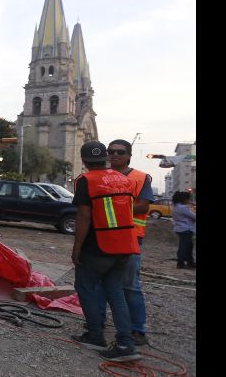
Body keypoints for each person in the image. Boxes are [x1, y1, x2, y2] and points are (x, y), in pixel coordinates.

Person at [70, 141, 141, 362]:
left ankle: (95, 335)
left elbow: (83, 216)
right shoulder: (125, 180)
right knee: (115, 291)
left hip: (99, 245)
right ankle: (125, 344)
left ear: (83, 161)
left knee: (85, 286)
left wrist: (77, 248)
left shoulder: (86, 181)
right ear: (106, 158)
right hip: (126, 244)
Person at [94, 139, 155, 347]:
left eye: (120, 152)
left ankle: (138, 330)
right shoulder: (101, 176)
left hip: (131, 238)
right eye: (110, 151)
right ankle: (97, 322)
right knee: (101, 283)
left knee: (130, 286)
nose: (114, 155)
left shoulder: (140, 178)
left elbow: (143, 207)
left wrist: (116, 206)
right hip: (104, 237)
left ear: (129, 155)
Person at [172, 191, 196, 269]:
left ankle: (189, 262)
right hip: (186, 229)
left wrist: (190, 204)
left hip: (180, 229)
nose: (189, 201)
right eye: (188, 199)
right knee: (184, 247)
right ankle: (181, 263)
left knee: (188, 246)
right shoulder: (183, 208)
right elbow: (193, 216)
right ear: (184, 199)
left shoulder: (176, 206)